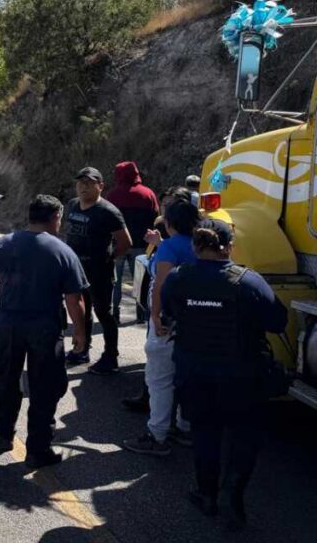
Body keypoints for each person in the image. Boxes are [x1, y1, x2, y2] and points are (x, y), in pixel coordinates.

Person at [161, 218, 286, 526]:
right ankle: (232, 497)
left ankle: (207, 495)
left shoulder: (178, 278)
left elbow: (171, 312)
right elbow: (277, 322)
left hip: (195, 373)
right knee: (244, 436)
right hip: (240, 376)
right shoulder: (248, 281)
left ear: (194, 245)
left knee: (205, 434)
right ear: (230, 247)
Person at [0, 195, 88, 468]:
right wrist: (80, 333)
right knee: (44, 387)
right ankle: (38, 450)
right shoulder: (62, 251)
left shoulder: (3, 243)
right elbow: (74, 299)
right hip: (44, 328)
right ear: (56, 218)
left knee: (5, 379)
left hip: (7, 324)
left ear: (30, 216)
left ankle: (3, 433)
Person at [121, 200, 200, 455]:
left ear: (169, 223)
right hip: (192, 322)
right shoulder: (199, 245)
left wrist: (155, 315)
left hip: (167, 322)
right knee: (185, 378)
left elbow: (163, 285)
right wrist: (159, 243)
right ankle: (184, 428)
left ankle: (157, 436)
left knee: (159, 380)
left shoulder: (169, 250)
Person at [64, 167, 132, 374]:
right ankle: (81, 349)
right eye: (80, 182)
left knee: (103, 313)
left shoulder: (108, 211)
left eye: (89, 183)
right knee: (81, 312)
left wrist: (108, 259)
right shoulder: (73, 205)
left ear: (100, 186)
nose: (84, 186)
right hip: (76, 271)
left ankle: (111, 357)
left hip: (99, 271)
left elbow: (125, 242)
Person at [106, 162, 158, 323]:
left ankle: (114, 313)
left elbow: (106, 220)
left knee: (115, 281)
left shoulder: (113, 195)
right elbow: (155, 218)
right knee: (140, 281)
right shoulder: (148, 194)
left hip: (118, 244)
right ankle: (141, 314)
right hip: (141, 245)